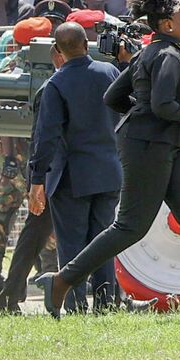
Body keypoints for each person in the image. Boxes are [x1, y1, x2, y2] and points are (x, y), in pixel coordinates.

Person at [47, 0, 180, 317]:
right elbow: (162, 105)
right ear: (166, 26)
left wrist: (145, 108)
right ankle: (64, 279)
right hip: (150, 148)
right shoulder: (167, 55)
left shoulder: (150, 52)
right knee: (131, 227)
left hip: (165, 146)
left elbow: (114, 98)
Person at [26, 21, 123, 312]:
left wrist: (36, 179)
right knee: (104, 241)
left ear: (57, 51)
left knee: (71, 244)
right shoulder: (110, 72)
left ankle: (75, 303)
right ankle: (106, 303)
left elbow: (47, 137)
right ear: (86, 44)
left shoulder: (56, 84)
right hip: (108, 171)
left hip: (71, 177)